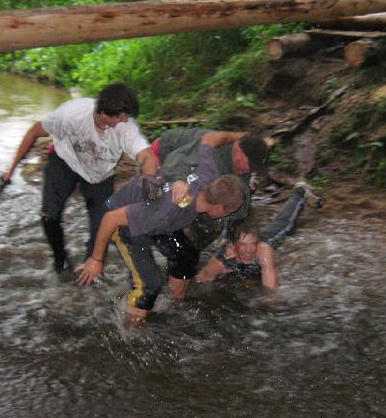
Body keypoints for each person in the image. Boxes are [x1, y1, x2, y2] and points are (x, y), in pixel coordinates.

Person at [0, 83, 158, 273]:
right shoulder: (71, 115)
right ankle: (60, 262)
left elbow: (146, 157)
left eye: (127, 116)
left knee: (101, 228)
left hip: (100, 174)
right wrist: (10, 170)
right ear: (103, 111)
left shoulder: (126, 127)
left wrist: (150, 184)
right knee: (50, 215)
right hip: (65, 162)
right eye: (121, 116)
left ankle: (91, 268)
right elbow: (33, 132)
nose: (126, 120)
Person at [76, 139, 246, 322]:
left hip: (150, 217)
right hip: (123, 224)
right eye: (230, 212)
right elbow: (110, 218)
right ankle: (131, 331)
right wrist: (96, 259)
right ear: (220, 207)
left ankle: (177, 305)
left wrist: (236, 136)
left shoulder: (207, 175)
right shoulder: (166, 211)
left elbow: (206, 140)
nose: (227, 215)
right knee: (150, 286)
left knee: (186, 254)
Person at [147, 128, 271, 300]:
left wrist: (236, 240)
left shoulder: (241, 165)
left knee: (208, 225)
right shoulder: (212, 156)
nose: (252, 171)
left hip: (191, 170)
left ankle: (182, 263)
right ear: (239, 154)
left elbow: (242, 211)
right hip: (163, 156)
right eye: (252, 166)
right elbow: (176, 162)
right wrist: (178, 182)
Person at [196, 184, 308, 289]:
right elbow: (200, 281)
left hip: (253, 236)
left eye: (253, 244)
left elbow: (271, 291)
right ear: (233, 246)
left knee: (285, 225)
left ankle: (299, 192)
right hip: (232, 239)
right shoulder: (220, 262)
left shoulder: (263, 250)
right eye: (243, 245)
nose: (249, 250)